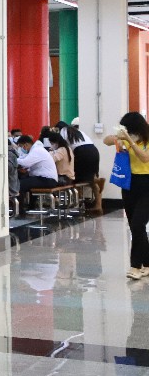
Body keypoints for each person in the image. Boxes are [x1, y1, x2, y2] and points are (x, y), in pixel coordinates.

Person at [105, 113, 149, 280]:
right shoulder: (126, 139)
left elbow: (144, 158)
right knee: (135, 226)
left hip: (147, 184)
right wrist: (118, 136)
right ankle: (147, 263)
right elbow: (106, 141)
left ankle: (135, 266)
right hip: (130, 184)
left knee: (138, 224)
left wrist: (129, 141)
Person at [58, 119, 101, 211]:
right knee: (92, 180)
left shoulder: (62, 131)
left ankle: (77, 205)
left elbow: (63, 149)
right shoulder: (77, 131)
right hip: (94, 151)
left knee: (74, 178)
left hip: (82, 152)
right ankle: (98, 205)